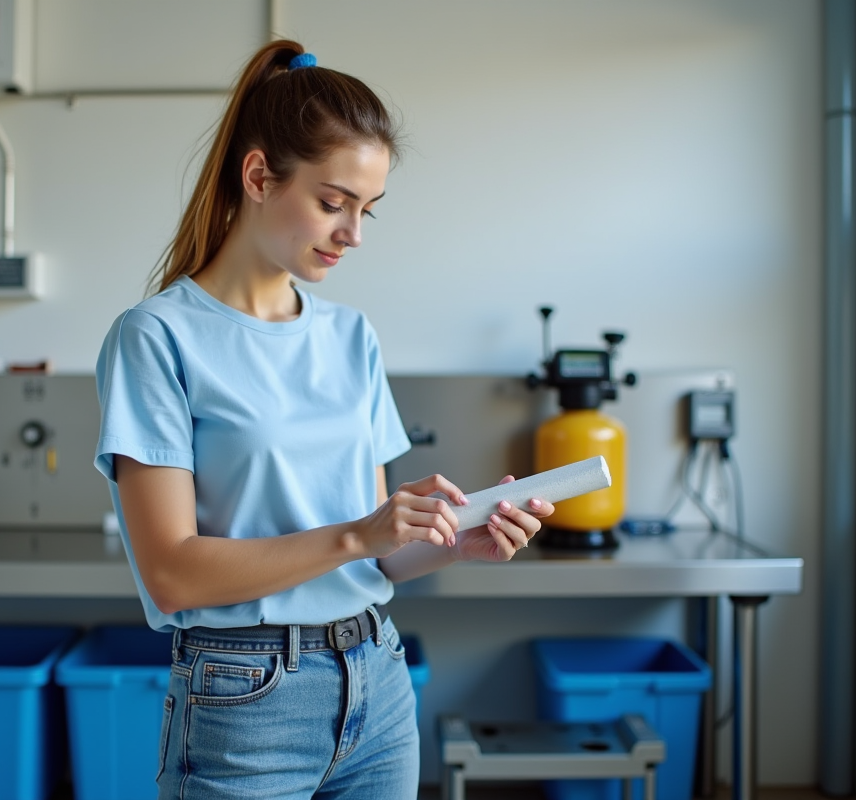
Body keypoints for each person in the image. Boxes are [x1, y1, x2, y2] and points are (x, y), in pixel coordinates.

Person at [94, 40, 555, 800]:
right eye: (333, 202)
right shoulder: (157, 337)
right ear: (258, 176)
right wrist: (360, 534)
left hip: (376, 682)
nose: (353, 234)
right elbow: (172, 575)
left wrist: (456, 544)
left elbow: (371, 560)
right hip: (243, 701)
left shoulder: (351, 336)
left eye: (367, 210)